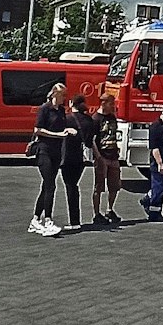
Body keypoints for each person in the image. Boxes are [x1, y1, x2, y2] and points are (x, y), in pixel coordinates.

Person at [28, 82, 72, 237]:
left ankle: (35, 219)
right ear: (55, 94)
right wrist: (58, 135)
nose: (65, 98)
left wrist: (67, 130)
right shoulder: (44, 109)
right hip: (44, 150)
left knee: (46, 186)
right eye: (63, 95)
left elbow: (60, 128)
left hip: (56, 152)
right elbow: (38, 130)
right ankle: (47, 220)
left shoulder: (61, 110)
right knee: (50, 185)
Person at [58, 94, 93, 230]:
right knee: (73, 185)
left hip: (66, 157)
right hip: (81, 158)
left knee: (70, 186)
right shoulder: (89, 120)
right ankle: (75, 220)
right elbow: (90, 141)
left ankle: (74, 221)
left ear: (72, 103)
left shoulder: (66, 119)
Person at [91, 96, 123, 224]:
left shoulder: (112, 117)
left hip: (113, 155)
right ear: (103, 104)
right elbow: (92, 140)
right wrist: (98, 156)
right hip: (102, 156)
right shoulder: (95, 119)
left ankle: (110, 209)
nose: (113, 106)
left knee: (114, 185)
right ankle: (97, 213)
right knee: (99, 187)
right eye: (110, 104)